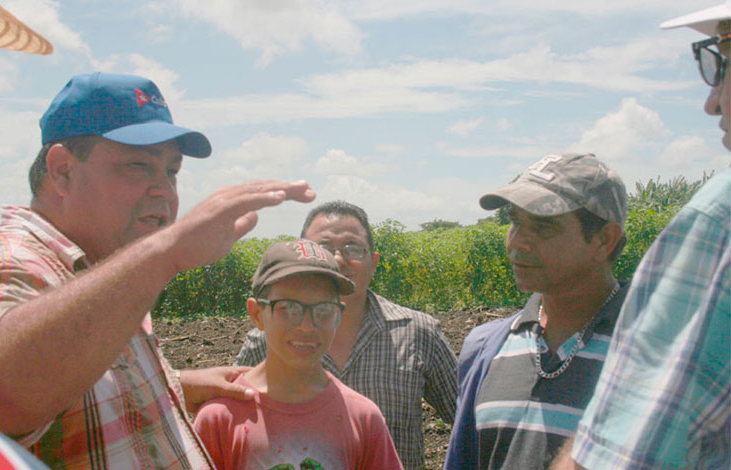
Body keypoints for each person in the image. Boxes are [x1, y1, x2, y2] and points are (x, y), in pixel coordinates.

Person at [0, 72, 316, 468]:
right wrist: (165, 253)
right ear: (62, 171)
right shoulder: (8, 259)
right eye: (137, 166)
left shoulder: (106, 267)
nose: (165, 191)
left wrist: (175, 383)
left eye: (171, 171)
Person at [551, 5, 730, 470]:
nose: (712, 101)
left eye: (721, 60)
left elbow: (626, 458)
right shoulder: (490, 347)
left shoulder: (721, 218)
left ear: (606, 240)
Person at [236, 200, 458, 470]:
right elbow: (235, 421)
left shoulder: (419, 332)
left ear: (374, 262)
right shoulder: (264, 342)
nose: (339, 260)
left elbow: (470, 422)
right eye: (324, 248)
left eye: (353, 248)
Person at [444, 153, 630, 470]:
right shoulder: (486, 348)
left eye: (543, 227)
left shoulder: (657, 354)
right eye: (515, 222)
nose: (518, 243)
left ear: (604, 239)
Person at [194, 238, 403, 470]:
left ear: (338, 316)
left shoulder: (362, 418)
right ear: (257, 314)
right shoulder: (221, 419)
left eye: (323, 310)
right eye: (288, 308)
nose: (307, 325)